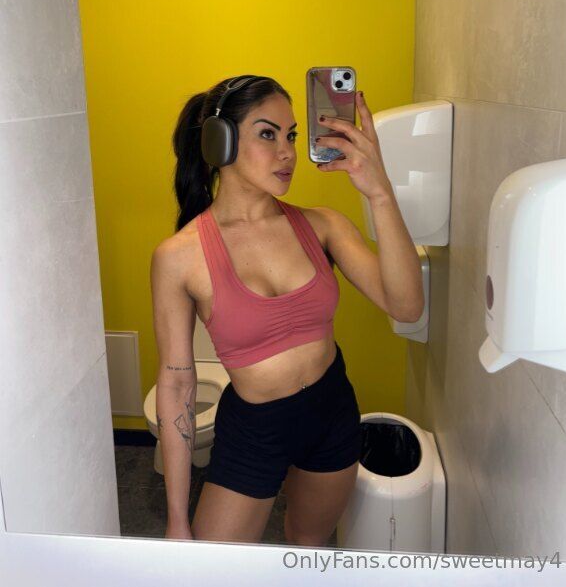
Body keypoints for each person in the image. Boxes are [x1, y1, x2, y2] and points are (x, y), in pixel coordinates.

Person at [150, 74, 424, 545]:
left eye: (292, 135)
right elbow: (176, 385)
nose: (288, 152)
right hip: (255, 431)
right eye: (267, 134)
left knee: (307, 549)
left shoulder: (323, 226)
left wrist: (379, 192)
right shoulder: (179, 256)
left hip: (331, 412)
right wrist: (176, 518)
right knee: (216, 571)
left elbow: (407, 306)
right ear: (220, 142)